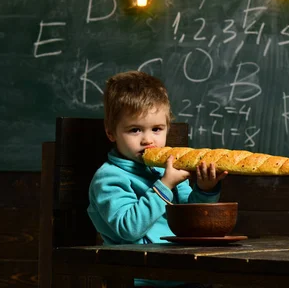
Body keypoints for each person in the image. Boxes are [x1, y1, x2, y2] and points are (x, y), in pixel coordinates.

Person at [88, 71, 227, 288]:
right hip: (139, 277)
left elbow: (192, 223)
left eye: (156, 129)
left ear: (167, 129)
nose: (148, 139)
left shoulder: (168, 170)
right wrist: (164, 185)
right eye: (135, 130)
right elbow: (128, 228)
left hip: (183, 272)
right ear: (111, 132)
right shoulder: (109, 178)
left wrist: (204, 190)